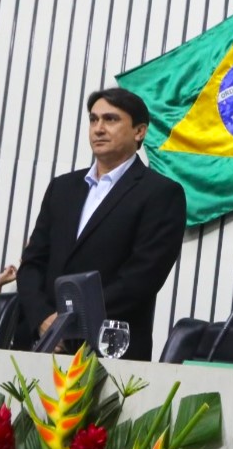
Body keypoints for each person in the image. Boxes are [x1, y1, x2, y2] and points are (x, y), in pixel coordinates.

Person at [15, 87, 186, 361]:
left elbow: (142, 277)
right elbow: (33, 263)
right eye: (93, 120)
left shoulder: (160, 193)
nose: (98, 129)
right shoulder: (62, 187)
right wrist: (44, 319)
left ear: (139, 131)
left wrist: (69, 324)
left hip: (108, 347)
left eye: (111, 119)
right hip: (41, 341)